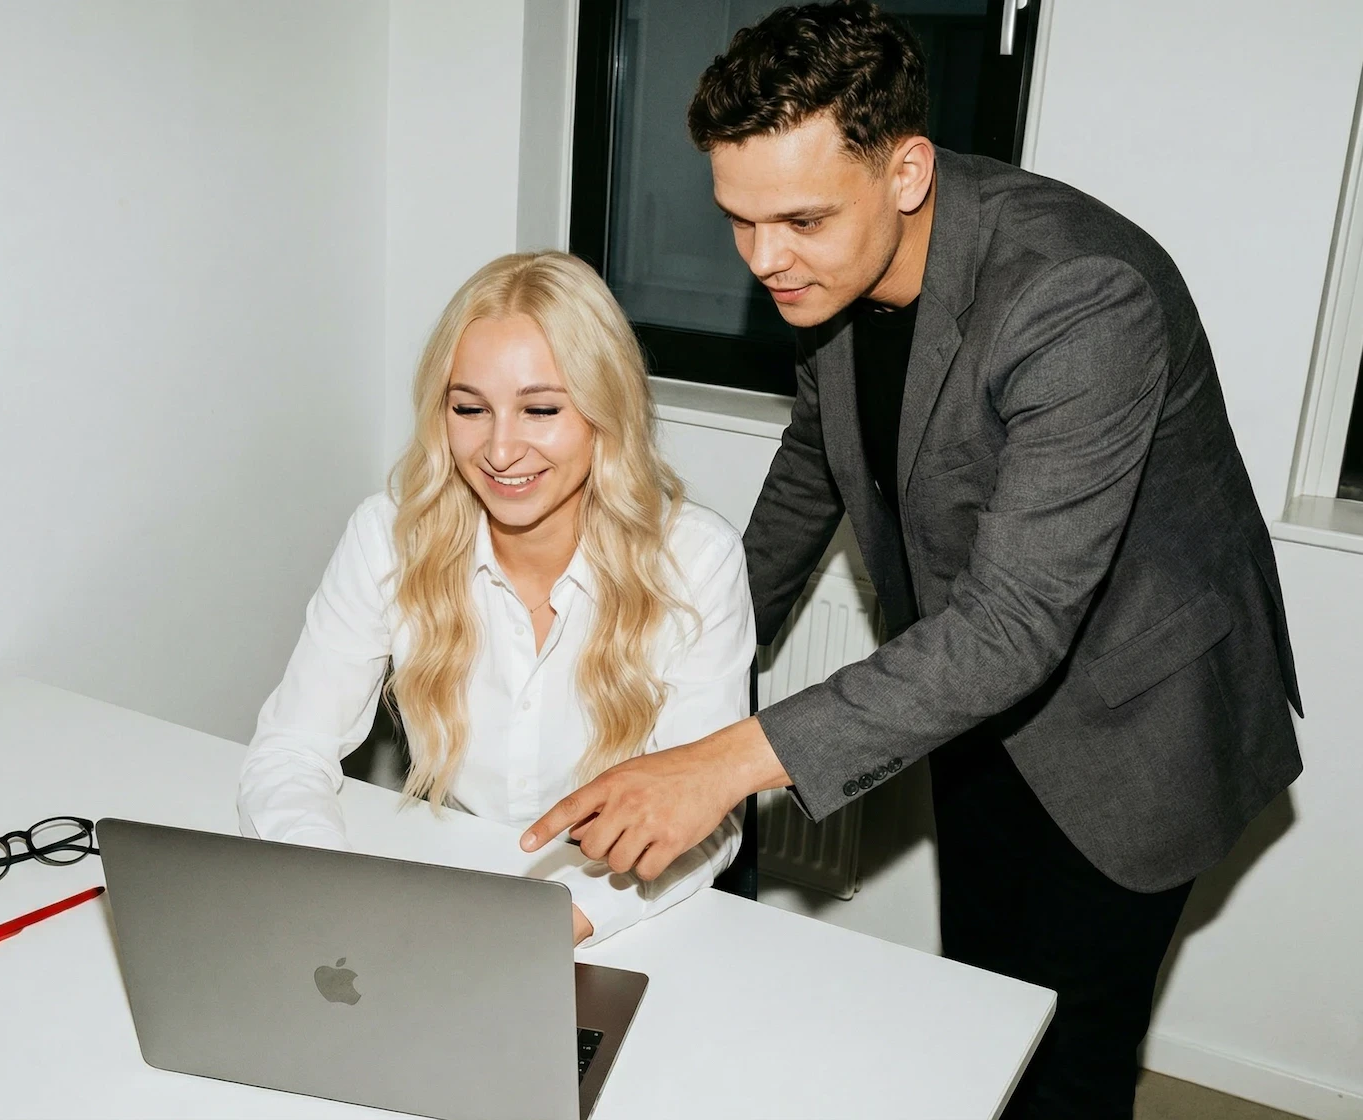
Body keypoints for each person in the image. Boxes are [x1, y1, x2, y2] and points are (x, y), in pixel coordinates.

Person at [521, 3, 1303, 1114]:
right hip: (970, 700)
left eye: (797, 220)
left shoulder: (1079, 296)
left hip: (1138, 715)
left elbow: (1013, 624)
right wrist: (686, 648)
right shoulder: (831, 266)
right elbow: (815, 464)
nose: (764, 260)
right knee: (984, 1011)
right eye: (738, 220)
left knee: (1070, 1059)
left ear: (906, 171)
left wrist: (722, 762)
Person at [238, 250, 753, 946]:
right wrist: (331, 894)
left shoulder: (696, 561)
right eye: (470, 408)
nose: (500, 450)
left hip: (621, 923)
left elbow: (705, 817)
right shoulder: (387, 536)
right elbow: (289, 750)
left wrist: (543, 928)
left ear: (605, 411)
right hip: (440, 895)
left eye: (540, 409)